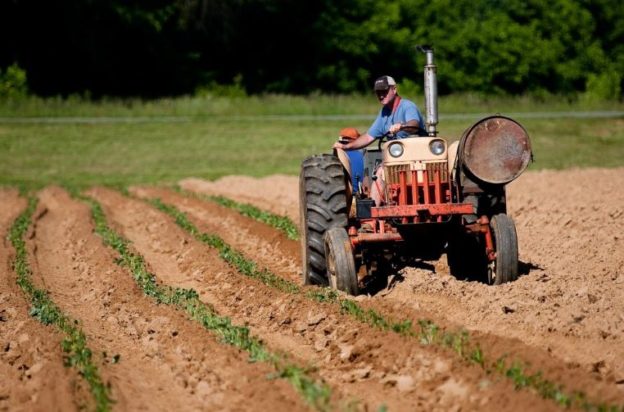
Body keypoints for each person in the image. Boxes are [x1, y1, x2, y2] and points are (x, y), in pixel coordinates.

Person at [332, 75, 426, 205]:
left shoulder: (407, 106)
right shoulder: (385, 113)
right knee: (379, 173)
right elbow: (368, 137)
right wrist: (346, 146)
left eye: (384, 91)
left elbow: (414, 124)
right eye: (378, 93)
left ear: (394, 89)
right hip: (397, 160)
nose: (381, 95)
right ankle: (373, 217)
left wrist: (402, 126)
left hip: (418, 158)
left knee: (382, 171)